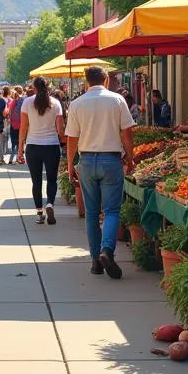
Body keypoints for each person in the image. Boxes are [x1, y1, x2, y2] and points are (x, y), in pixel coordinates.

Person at [64, 65, 135, 279]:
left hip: (86, 160)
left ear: (86, 82)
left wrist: (70, 164)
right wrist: (130, 156)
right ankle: (107, 250)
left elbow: (71, 140)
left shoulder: (77, 104)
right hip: (111, 159)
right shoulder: (117, 100)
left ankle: (96, 260)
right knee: (112, 211)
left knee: (92, 214)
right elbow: (127, 133)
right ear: (105, 80)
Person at [17, 77, 65, 224]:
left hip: (33, 146)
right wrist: (64, 141)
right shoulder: (56, 103)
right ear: (48, 86)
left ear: (34, 87)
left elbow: (23, 127)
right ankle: (50, 203)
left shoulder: (27, 102)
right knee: (51, 179)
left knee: (36, 182)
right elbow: (60, 130)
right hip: (51, 146)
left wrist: (20, 148)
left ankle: (39, 212)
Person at [9, 86, 25, 162]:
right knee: (21, 142)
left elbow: (11, 112)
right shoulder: (24, 100)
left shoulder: (15, 101)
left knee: (14, 142)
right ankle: (19, 158)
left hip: (15, 124)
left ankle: (13, 159)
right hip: (22, 124)